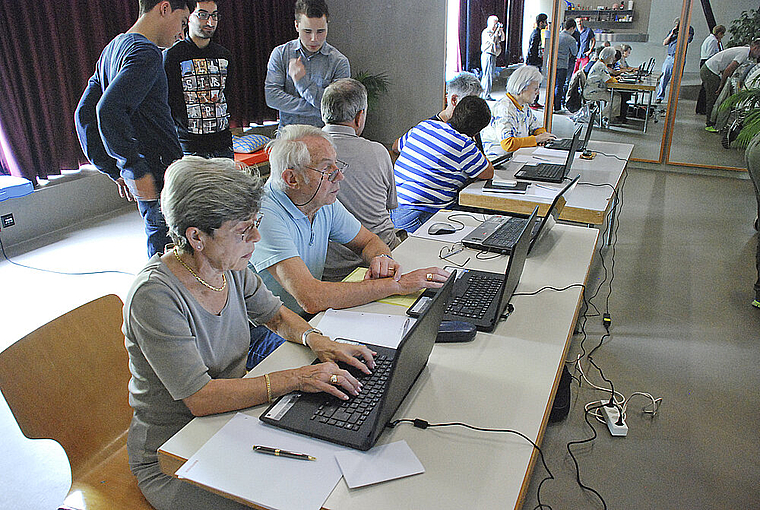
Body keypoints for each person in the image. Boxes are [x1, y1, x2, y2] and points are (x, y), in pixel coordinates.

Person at [125, 156, 376, 510]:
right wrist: (299, 378)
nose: (256, 237)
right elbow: (201, 398)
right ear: (196, 236)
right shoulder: (155, 295)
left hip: (230, 424)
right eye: (244, 230)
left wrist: (322, 343)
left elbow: (276, 316)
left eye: (255, 223)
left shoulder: (228, 266)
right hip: (175, 451)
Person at [249, 125, 447, 315]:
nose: (340, 176)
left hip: (305, 316)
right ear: (292, 179)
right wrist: (397, 284)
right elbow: (310, 298)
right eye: (327, 169)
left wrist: (381, 258)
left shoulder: (321, 201)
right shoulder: (264, 215)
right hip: (268, 329)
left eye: (337, 165)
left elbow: (369, 241)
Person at [75, 0, 193, 257]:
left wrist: (114, 168)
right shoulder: (146, 52)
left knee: (160, 237)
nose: (182, 34)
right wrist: (132, 167)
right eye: (182, 22)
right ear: (164, 8)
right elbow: (107, 111)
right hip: (157, 171)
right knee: (169, 250)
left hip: (149, 170)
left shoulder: (112, 49)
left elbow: (84, 115)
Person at [320, 78, 400, 281]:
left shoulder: (303, 154)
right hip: (383, 262)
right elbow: (390, 207)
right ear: (359, 116)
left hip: (328, 269)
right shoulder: (378, 152)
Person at [392, 96, 494, 232]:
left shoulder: (425, 125)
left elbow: (395, 146)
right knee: (479, 224)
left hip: (395, 210)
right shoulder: (463, 144)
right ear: (477, 131)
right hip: (420, 215)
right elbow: (488, 172)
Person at [164, 0, 234, 159]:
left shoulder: (224, 55)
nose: (210, 22)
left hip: (223, 144)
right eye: (202, 15)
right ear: (188, 17)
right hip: (189, 146)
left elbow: (226, 95)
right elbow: (167, 102)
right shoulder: (172, 56)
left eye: (214, 16)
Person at [264, 0, 350, 128]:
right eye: (307, 31)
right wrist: (318, 110)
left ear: (327, 26)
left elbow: (337, 108)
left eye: (320, 31)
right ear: (297, 26)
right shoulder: (281, 54)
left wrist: (302, 82)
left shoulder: (339, 62)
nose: (314, 38)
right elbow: (272, 97)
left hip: (323, 137)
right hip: (288, 136)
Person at [392, 72, 484, 156]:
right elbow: (396, 147)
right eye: (471, 103)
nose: (476, 108)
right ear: (454, 100)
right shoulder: (429, 127)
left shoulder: (471, 122)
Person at [482, 64, 556, 159]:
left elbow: (536, 127)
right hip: (500, 161)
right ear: (522, 88)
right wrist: (537, 139)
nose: (537, 93)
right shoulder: (505, 109)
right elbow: (508, 144)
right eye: (535, 89)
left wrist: (542, 135)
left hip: (516, 155)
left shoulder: (523, 105)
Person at [702, 39, 760, 132]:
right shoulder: (744, 53)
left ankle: (712, 122)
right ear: (755, 48)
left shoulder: (744, 52)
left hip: (710, 69)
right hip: (710, 71)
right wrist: (721, 85)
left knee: (714, 97)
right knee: (713, 97)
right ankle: (710, 124)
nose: (759, 55)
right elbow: (728, 70)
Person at [655, 17, 694, 104]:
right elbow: (665, 42)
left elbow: (688, 40)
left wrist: (684, 31)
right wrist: (672, 34)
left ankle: (673, 98)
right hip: (670, 57)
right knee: (664, 77)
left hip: (680, 58)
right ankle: (659, 97)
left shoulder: (689, 29)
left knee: (676, 79)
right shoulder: (673, 31)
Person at [585, 46, 624, 124]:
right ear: (608, 56)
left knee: (616, 96)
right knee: (616, 98)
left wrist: (615, 78)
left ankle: (610, 117)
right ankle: (600, 116)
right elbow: (608, 80)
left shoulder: (601, 64)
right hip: (593, 92)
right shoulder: (601, 66)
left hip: (595, 90)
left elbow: (606, 77)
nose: (613, 59)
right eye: (612, 57)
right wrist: (616, 80)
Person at [696, 25, 726, 115]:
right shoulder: (713, 41)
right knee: (707, 87)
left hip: (705, 61)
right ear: (720, 33)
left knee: (705, 86)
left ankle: (700, 108)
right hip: (708, 62)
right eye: (722, 35)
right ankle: (702, 108)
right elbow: (711, 54)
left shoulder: (710, 39)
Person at [555, 19, 578, 112]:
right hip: (562, 64)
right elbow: (575, 52)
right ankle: (557, 107)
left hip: (552, 64)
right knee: (559, 86)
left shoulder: (556, 35)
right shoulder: (571, 39)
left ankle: (549, 104)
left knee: (551, 85)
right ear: (572, 28)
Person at [480, 15, 505, 101]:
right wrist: (497, 30)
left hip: (493, 55)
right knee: (487, 75)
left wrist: (501, 31)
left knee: (490, 75)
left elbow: (502, 39)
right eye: (494, 24)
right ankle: (485, 94)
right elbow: (493, 40)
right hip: (487, 54)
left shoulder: (495, 32)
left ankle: (486, 93)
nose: (496, 26)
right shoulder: (487, 32)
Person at [526, 13, 548, 109]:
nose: (546, 24)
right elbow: (532, 49)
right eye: (545, 22)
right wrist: (535, 60)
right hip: (534, 63)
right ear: (541, 22)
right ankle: (533, 102)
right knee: (535, 82)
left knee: (536, 82)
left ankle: (535, 101)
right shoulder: (535, 34)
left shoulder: (538, 33)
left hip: (535, 62)